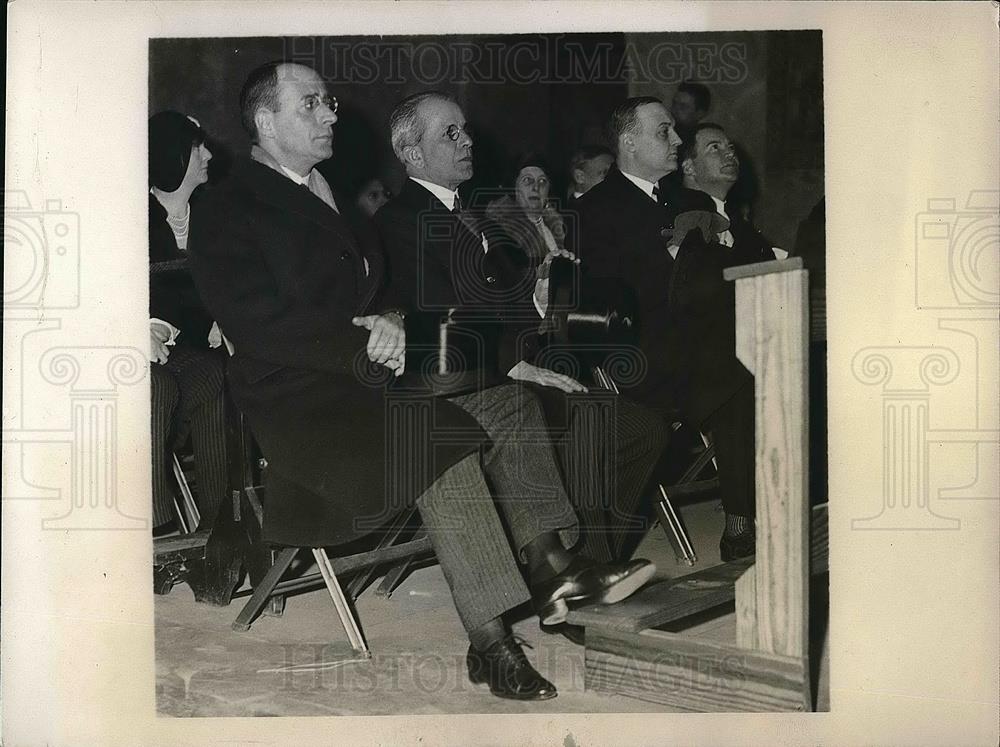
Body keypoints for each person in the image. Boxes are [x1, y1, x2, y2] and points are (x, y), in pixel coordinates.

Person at [190, 63, 654, 702]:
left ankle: (555, 571)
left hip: (373, 375)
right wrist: (366, 339)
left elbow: (381, 292)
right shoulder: (224, 205)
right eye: (313, 105)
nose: (332, 114)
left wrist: (390, 319)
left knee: (510, 404)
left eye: (329, 101)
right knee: (440, 441)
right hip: (299, 396)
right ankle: (492, 642)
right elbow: (257, 324)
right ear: (267, 122)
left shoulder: (330, 192)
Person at [575, 97, 760, 561]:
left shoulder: (691, 201)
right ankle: (742, 520)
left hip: (698, 344)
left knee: (752, 360)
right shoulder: (594, 210)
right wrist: (691, 272)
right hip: (639, 357)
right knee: (742, 369)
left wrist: (695, 270)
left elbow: (734, 262)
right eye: (664, 133)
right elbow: (615, 301)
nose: (678, 140)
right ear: (629, 142)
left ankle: (746, 518)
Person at [148, 111, 228, 533]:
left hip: (186, 345)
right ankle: (157, 533)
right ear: (176, 154)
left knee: (213, 374)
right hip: (131, 346)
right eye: (200, 147)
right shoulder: (128, 214)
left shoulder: (212, 215)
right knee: (156, 387)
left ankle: (219, 527)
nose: (210, 154)